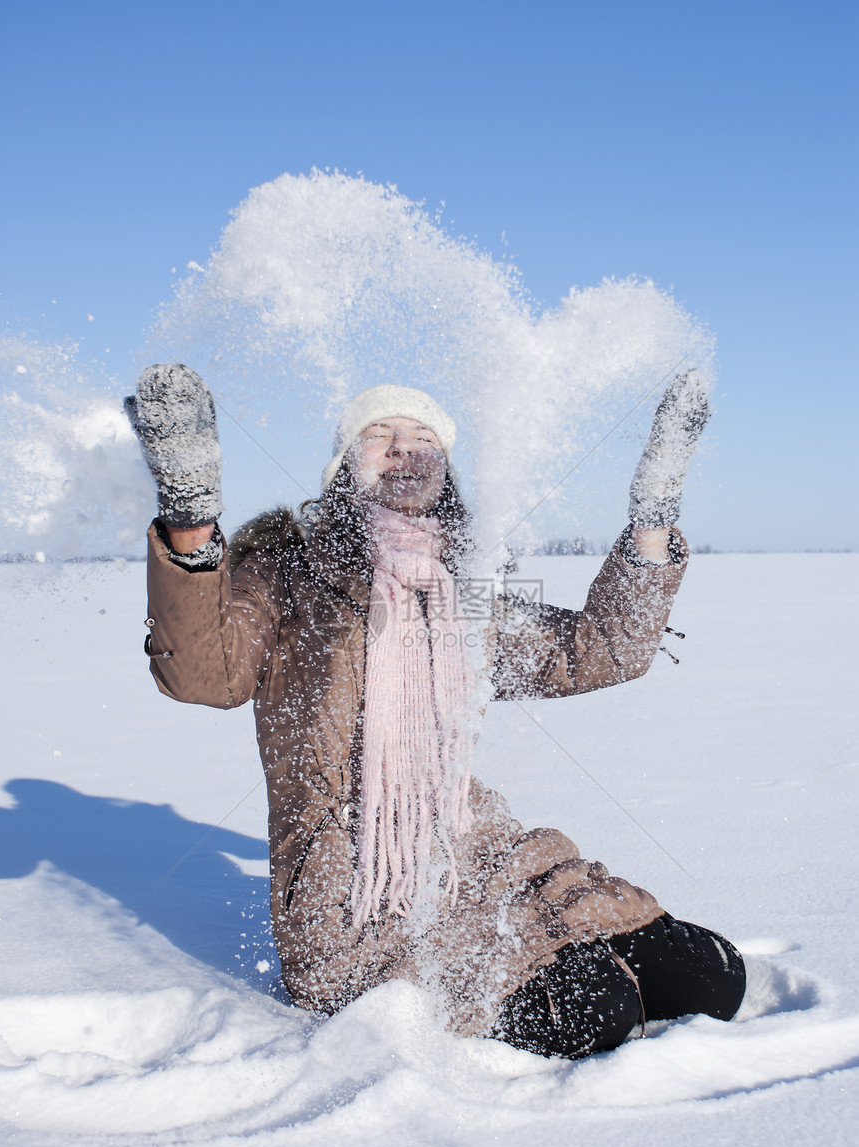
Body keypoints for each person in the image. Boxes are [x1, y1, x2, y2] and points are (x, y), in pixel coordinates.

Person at [126, 366, 745, 1060]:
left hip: (471, 852)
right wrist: (189, 516)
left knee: (710, 975)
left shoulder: (462, 590)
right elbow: (202, 671)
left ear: (445, 471)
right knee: (595, 1003)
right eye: (379, 434)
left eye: (423, 437)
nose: (403, 447)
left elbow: (602, 649)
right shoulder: (289, 576)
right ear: (341, 466)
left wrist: (652, 516)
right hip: (355, 897)